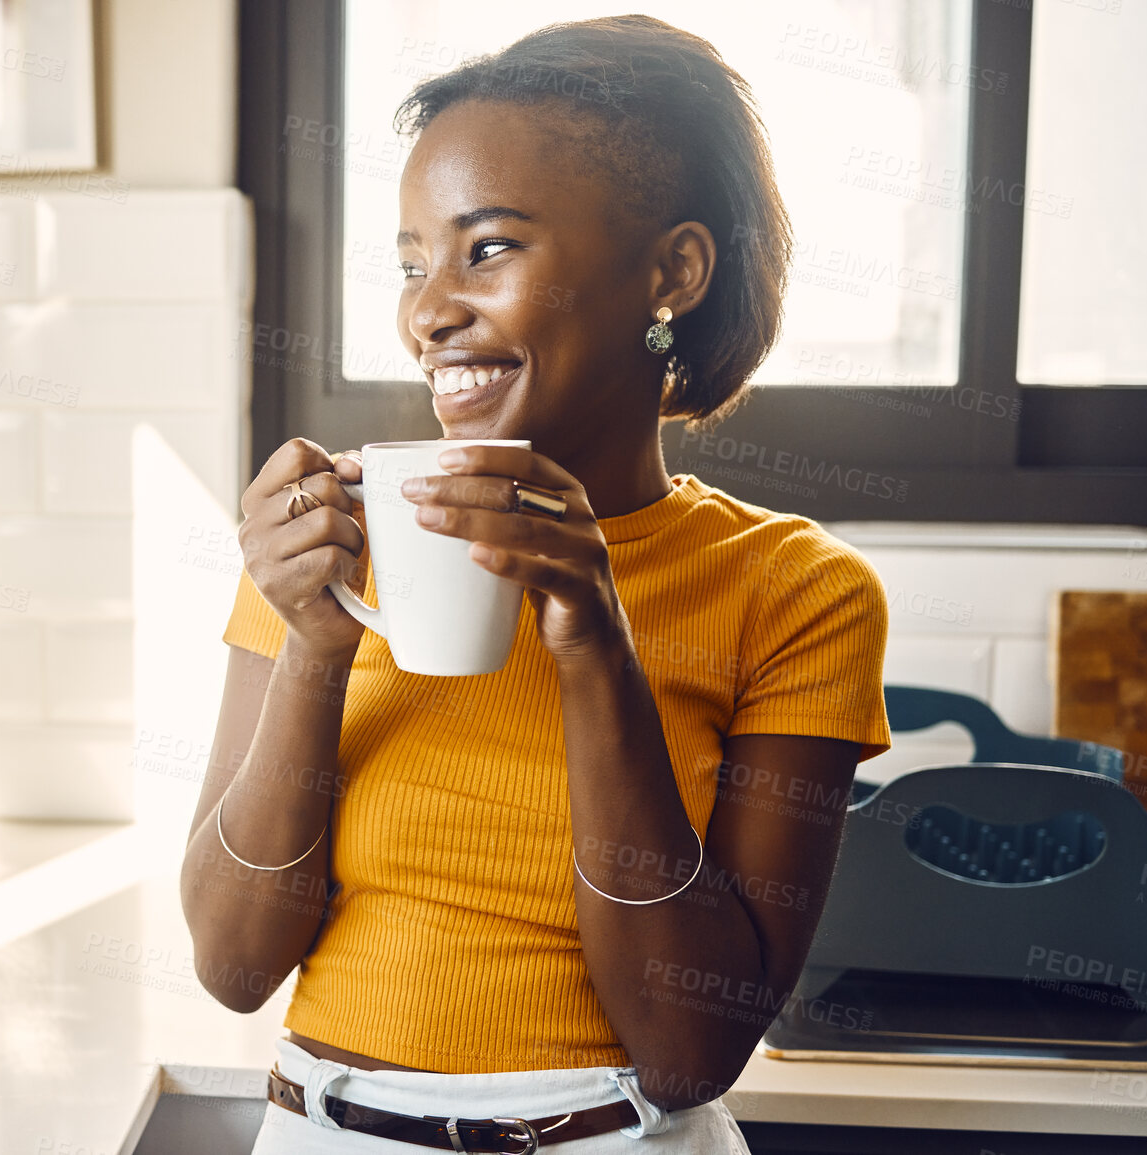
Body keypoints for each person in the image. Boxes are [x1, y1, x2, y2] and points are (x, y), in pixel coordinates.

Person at [181, 16, 890, 1153]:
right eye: (413, 262)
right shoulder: (331, 552)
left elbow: (689, 1050)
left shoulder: (796, 590)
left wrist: (594, 644)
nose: (428, 311)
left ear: (672, 271)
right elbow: (233, 964)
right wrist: (315, 641)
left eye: (489, 248)